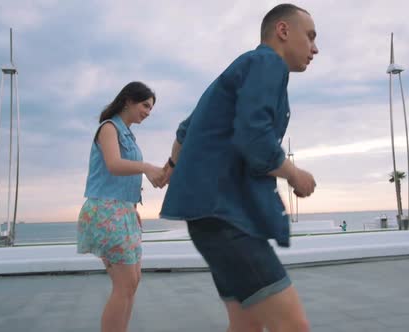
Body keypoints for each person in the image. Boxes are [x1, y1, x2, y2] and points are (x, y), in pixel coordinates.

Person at [160, 4, 318, 332]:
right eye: (311, 36)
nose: (315, 48)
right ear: (283, 31)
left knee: (245, 326)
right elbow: (254, 138)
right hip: (227, 219)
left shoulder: (243, 68)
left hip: (210, 219)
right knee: (293, 326)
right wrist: (295, 175)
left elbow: (184, 132)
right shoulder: (267, 63)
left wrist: (172, 167)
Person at [77, 81, 165, 332]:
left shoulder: (128, 134)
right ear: (128, 101)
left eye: (151, 108)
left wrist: (133, 208)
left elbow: (124, 177)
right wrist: (147, 167)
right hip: (106, 211)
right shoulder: (108, 128)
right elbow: (114, 165)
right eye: (145, 105)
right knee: (124, 285)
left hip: (124, 211)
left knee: (133, 282)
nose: (148, 112)